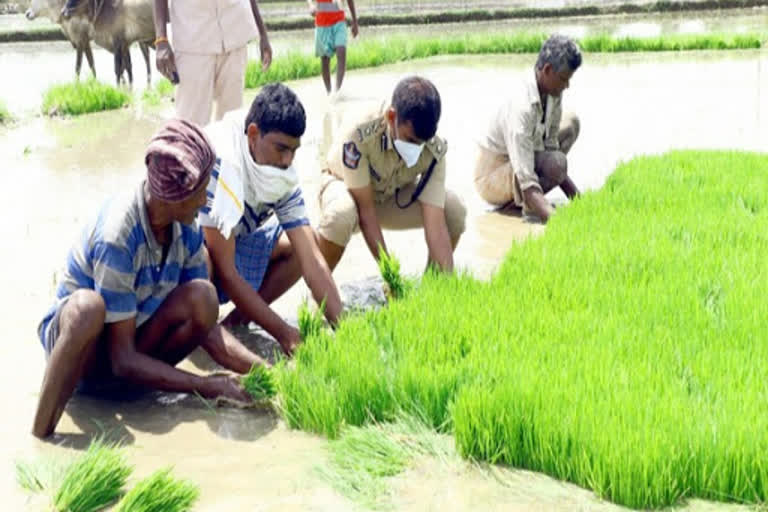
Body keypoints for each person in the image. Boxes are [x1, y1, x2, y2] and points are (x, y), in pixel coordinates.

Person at [33, 120, 263, 439]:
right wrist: (205, 385)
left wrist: (267, 373)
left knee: (204, 297)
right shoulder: (119, 234)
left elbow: (209, 330)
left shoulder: (186, 227)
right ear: (172, 195)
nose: (204, 201)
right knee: (88, 308)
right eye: (199, 192)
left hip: (129, 343)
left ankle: (131, 392)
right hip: (87, 356)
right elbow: (121, 359)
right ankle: (41, 434)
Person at [201, 83, 342, 356]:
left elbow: (312, 260)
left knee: (304, 243)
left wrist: (346, 331)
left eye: (294, 150)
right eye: (281, 149)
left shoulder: (281, 172)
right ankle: (205, 336)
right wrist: (284, 333)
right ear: (253, 134)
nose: (288, 160)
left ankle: (236, 323)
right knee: (204, 262)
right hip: (195, 256)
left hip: (235, 241)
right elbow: (226, 272)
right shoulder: (223, 162)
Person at [315, 76, 466, 273]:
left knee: (454, 210)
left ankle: (433, 283)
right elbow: (366, 212)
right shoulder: (360, 132)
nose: (417, 148)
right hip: (347, 191)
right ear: (392, 117)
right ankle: (318, 292)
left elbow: (435, 224)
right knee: (341, 215)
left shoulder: (433, 149)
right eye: (410, 140)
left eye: (422, 142)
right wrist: (390, 274)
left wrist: (447, 289)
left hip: (388, 198)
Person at [474, 34, 582, 223]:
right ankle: (528, 205)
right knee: (555, 163)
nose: (567, 86)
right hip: (493, 176)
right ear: (547, 70)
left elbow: (551, 148)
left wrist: (580, 200)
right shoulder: (521, 106)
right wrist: (557, 222)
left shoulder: (553, 92)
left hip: (525, 157)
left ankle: (532, 202)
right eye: (564, 78)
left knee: (571, 124)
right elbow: (527, 178)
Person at [152, 0, 273, 126]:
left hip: (235, 34)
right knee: (190, 124)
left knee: (231, 121)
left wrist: (263, 33)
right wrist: (161, 39)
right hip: (193, 40)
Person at [306, 0, 358, 95]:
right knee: (325, 60)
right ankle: (329, 93)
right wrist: (311, 5)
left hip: (339, 21)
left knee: (341, 52)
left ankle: (336, 92)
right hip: (322, 23)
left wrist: (355, 22)